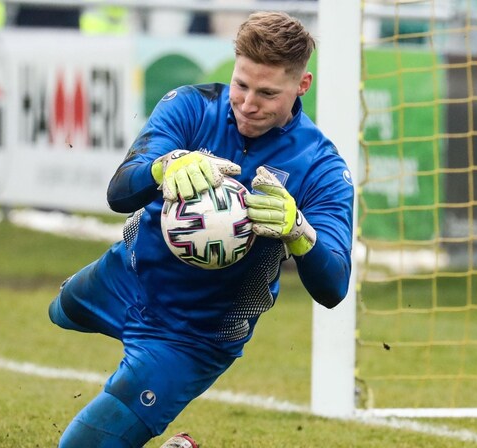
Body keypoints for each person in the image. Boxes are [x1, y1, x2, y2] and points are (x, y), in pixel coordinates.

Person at [48, 11, 354, 448]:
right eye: (241, 84)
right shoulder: (191, 107)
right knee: (59, 311)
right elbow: (119, 193)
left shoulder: (320, 167)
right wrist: (163, 166)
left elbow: (334, 287)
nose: (248, 103)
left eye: (267, 93)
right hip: (125, 277)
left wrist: (300, 234)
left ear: (301, 86)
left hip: (193, 335)